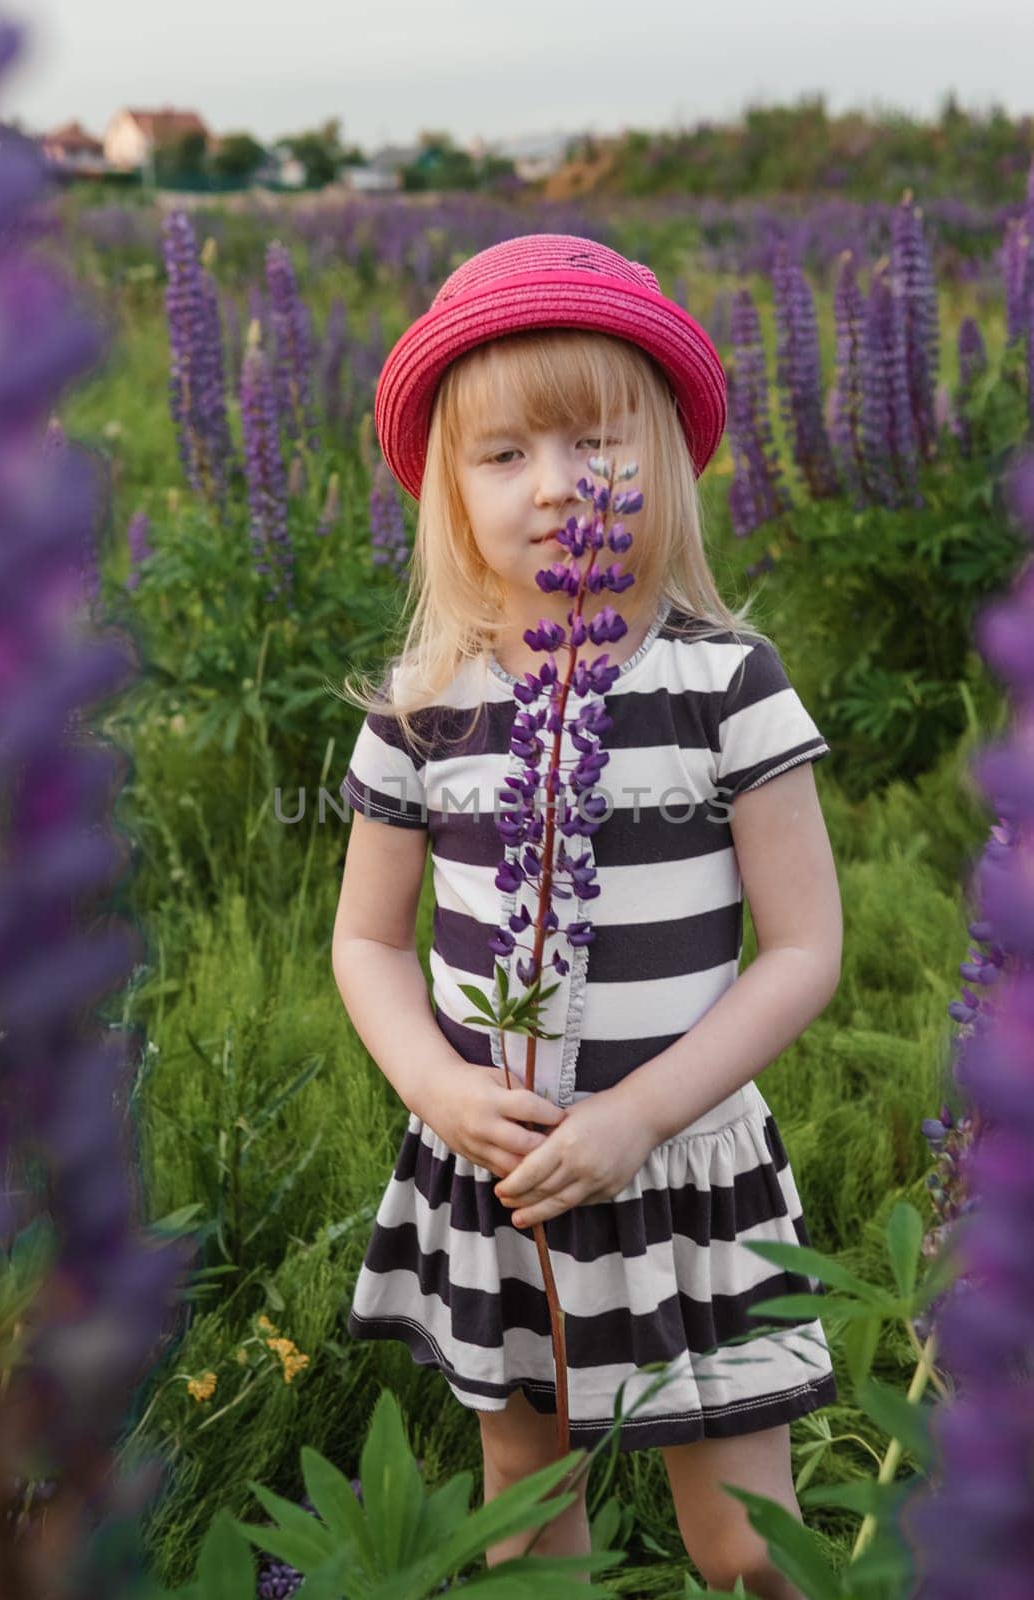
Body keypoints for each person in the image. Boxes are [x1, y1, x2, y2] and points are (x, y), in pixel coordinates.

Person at [331, 234, 843, 1598]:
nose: (556, 485)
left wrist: (644, 1112)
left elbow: (804, 948)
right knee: (524, 1492)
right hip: (499, 1174)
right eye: (505, 455)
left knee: (743, 1539)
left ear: (660, 463)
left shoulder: (725, 683)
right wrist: (437, 1083)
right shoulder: (423, 704)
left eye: (594, 442)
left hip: (683, 1167)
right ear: (448, 485)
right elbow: (368, 939)